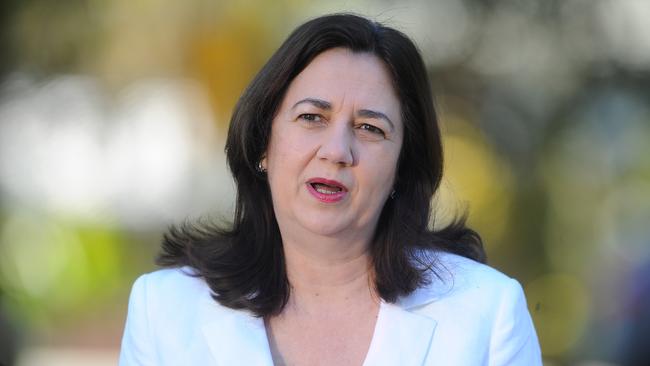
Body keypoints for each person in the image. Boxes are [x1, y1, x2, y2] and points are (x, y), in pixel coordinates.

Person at [119, 13, 542, 365]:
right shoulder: (163, 310)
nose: (338, 151)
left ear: (401, 166)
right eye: (312, 118)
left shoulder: (489, 313)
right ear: (264, 143)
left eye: (370, 128)